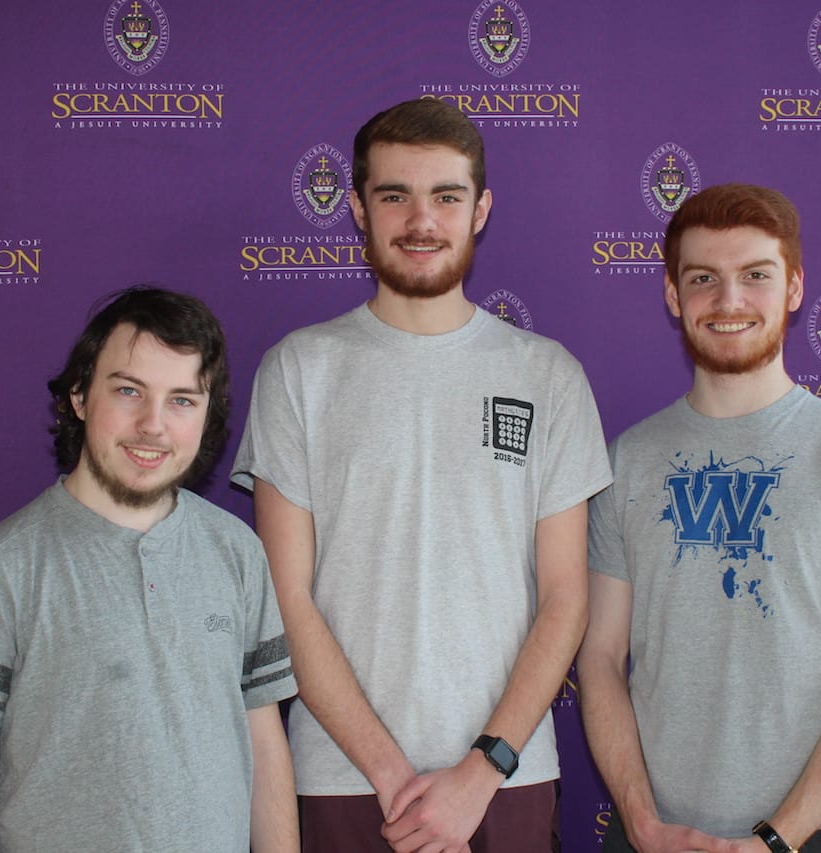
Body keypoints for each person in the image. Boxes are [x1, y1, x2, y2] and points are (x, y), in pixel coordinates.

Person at [231, 97, 612, 852]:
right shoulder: (299, 370)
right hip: (341, 780)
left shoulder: (549, 376)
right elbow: (287, 597)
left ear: (481, 210)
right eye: (394, 195)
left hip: (506, 778)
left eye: (446, 195)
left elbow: (566, 598)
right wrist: (392, 776)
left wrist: (480, 771)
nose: (421, 219)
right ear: (357, 209)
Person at [578, 184, 821, 853]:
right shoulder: (626, 461)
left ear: (795, 288)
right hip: (656, 836)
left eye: (755, 275)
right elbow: (599, 657)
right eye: (703, 279)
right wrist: (639, 820)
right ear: (672, 295)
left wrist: (777, 839)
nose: (729, 301)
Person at [0, 287, 298, 853]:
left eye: (182, 400)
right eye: (129, 391)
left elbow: (263, 747)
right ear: (81, 396)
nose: (153, 425)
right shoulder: (0, 569)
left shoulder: (238, 551)